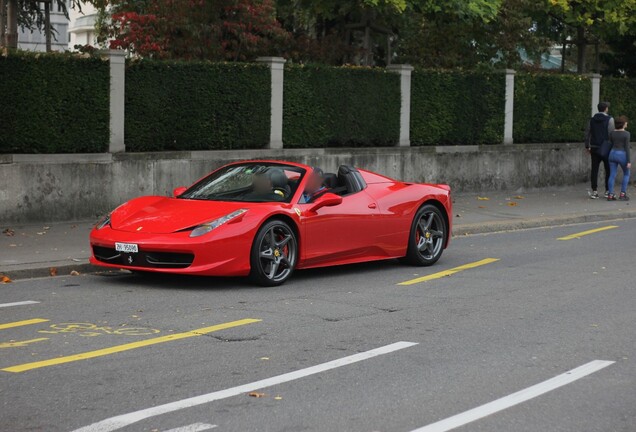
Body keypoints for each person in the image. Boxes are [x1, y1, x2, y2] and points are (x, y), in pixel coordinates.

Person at [585, 102, 615, 199]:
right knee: (608, 169)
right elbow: (611, 134)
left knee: (594, 170)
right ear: (606, 109)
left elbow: (587, 133)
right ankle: (607, 191)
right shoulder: (610, 119)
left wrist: (587, 146)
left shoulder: (592, 120)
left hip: (594, 147)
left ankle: (595, 191)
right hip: (606, 148)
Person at [607, 116, 631, 201]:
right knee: (627, 174)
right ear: (623, 124)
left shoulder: (612, 133)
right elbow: (627, 148)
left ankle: (610, 194)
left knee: (612, 175)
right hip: (622, 154)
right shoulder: (627, 134)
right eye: (626, 122)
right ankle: (622, 194)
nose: (627, 123)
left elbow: (610, 143)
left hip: (612, 154)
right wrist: (628, 161)